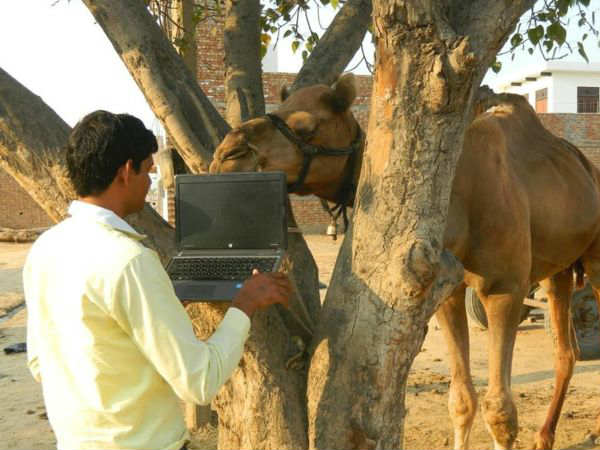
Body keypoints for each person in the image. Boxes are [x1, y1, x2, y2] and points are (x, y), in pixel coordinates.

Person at [23, 110, 292, 450]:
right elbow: (200, 381)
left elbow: (40, 363)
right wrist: (246, 303)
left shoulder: (46, 247)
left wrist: (153, 311)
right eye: (148, 170)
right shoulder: (129, 260)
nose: (150, 182)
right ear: (126, 171)